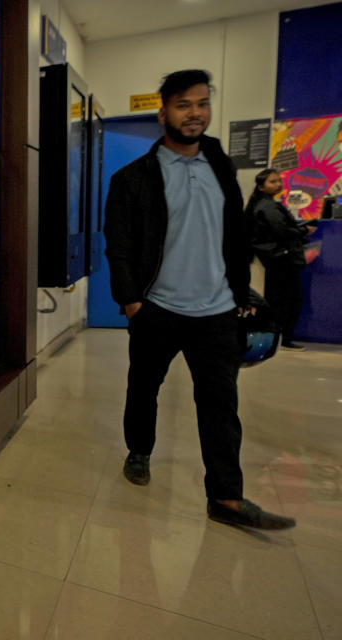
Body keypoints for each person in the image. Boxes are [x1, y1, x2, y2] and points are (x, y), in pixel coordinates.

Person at [104, 69, 295, 530]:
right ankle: (139, 451)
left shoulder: (221, 166)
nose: (195, 113)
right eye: (184, 105)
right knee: (143, 389)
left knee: (220, 405)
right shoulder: (135, 178)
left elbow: (235, 235)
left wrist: (236, 293)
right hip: (158, 309)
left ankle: (226, 497)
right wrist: (132, 303)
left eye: (202, 103)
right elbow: (120, 244)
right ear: (163, 111)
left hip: (215, 311)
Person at [246, 168, 315, 351]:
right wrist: (303, 231)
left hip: (276, 259)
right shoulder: (268, 206)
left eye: (279, 181)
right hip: (282, 259)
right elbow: (282, 231)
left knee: (281, 299)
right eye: (272, 181)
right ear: (261, 186)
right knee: (286, 300)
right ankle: (283, 338)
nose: (278, 184)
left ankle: (279, 337)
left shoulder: (264, 204)